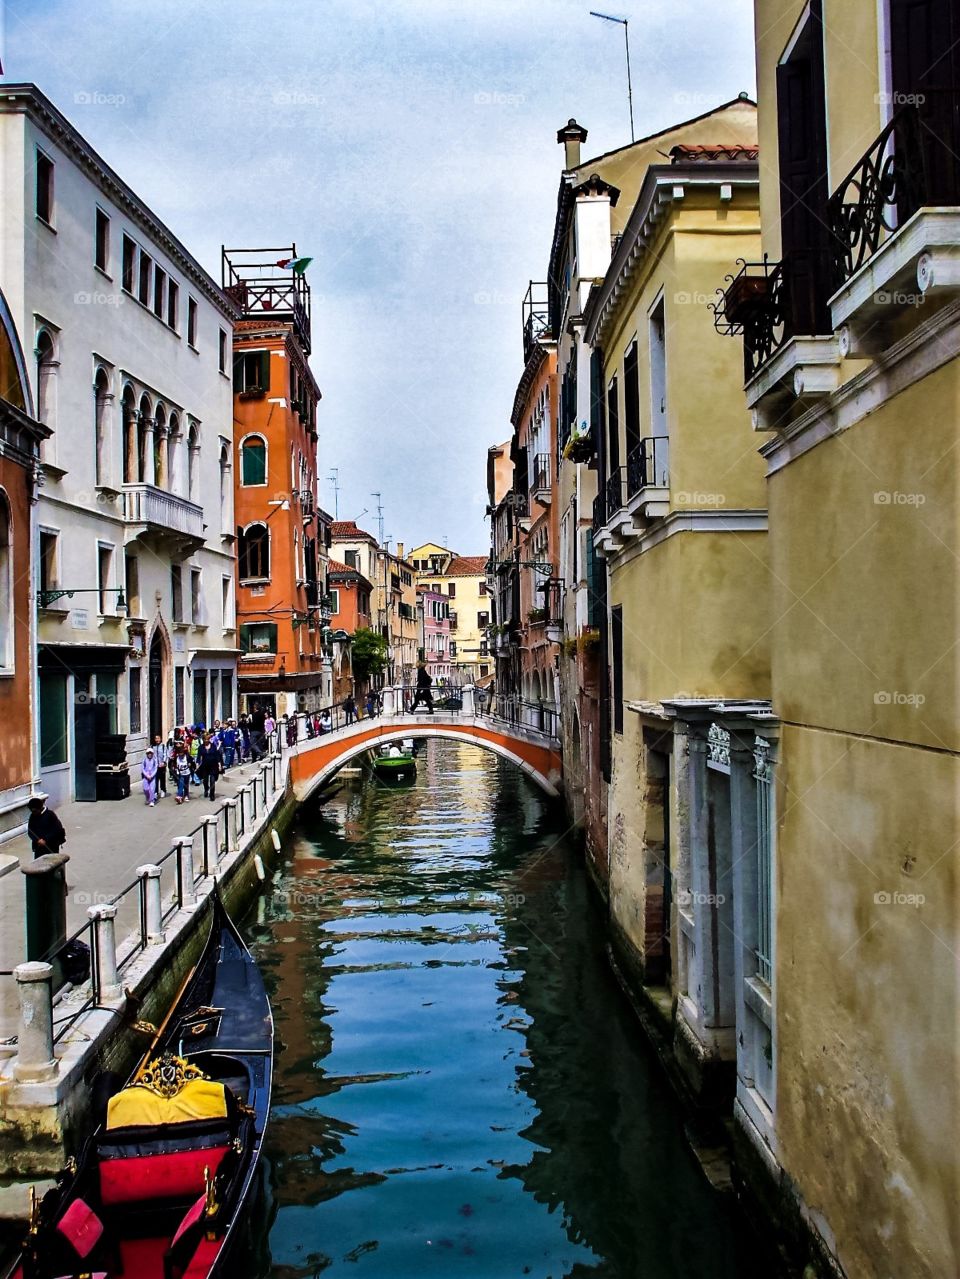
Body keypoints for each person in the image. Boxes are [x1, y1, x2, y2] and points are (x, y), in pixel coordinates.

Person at [26, 793, 66, 858]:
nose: (33, 813)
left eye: (34, 811)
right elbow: (30, 831)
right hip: (38, 847)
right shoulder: (32, 816)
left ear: (40, 808)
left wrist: (45, 839)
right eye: (31, 811)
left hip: (51, 845)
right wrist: (37, 840)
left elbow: (57, 829)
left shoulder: (50, 815)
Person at [196, 731, 223, 801]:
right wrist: (197, 765)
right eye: (205, 739)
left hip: (213, 766)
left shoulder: (213, 746)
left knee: (212, 780)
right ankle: (206, 789)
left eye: (208, 739)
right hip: (205, 766)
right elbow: (198, 757)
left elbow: (217, 756)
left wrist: (219, 765)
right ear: (203, 739)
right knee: (205, 781)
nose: (206, 741)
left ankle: (212, 795)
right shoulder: (201, 747)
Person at [153, 735, 168, 799]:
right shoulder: (153, 746)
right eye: (156, 738)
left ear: (160, 739)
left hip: (162, 766)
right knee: (155, 780)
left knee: (162, 779)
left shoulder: (163, 746)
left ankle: (163, 790)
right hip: (155, 766)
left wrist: (164, 762)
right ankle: (155, 792)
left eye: (158, 738)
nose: (157, 740)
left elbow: (165, 754)